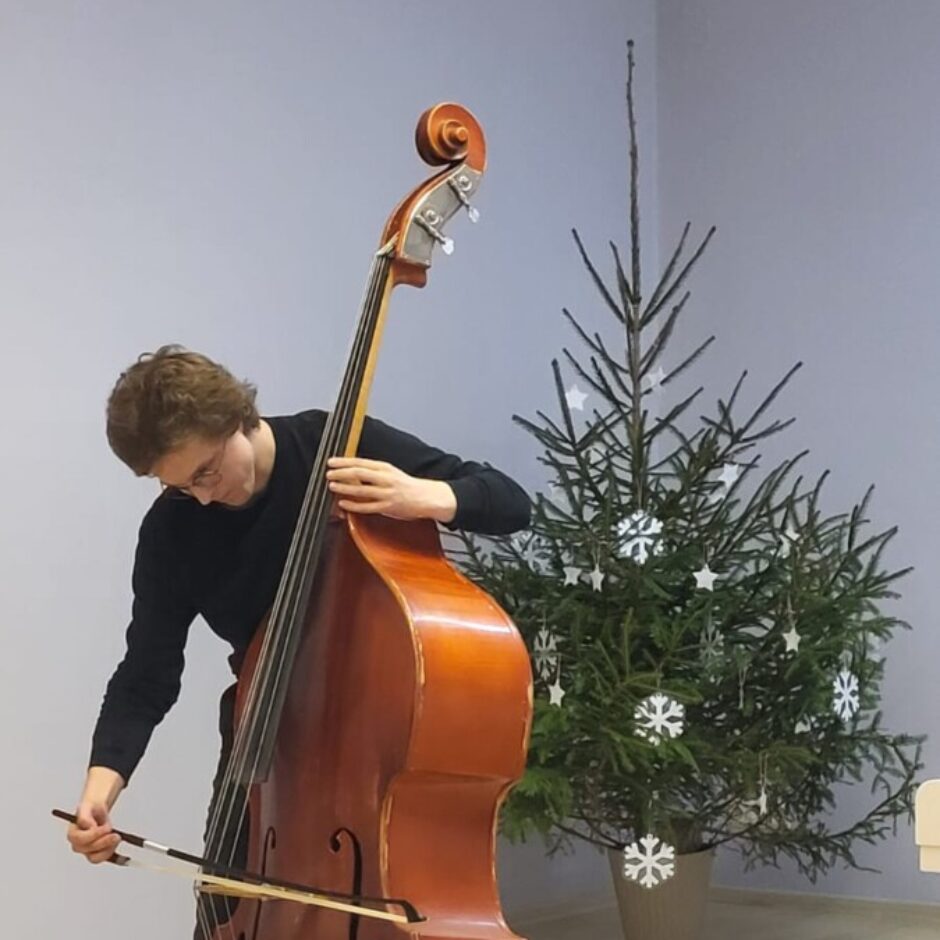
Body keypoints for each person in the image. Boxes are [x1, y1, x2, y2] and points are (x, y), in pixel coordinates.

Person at [66, 345, 531, 878]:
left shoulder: (333, 445)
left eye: (206, 472)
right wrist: (99, 793)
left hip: (368, 737)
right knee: (226, 906)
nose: (202, 497)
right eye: (180, 486)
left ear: (235, 417)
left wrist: (423, 495)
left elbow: (511, 502)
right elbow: (144, 677)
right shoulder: (171, 531)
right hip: (264, 743)